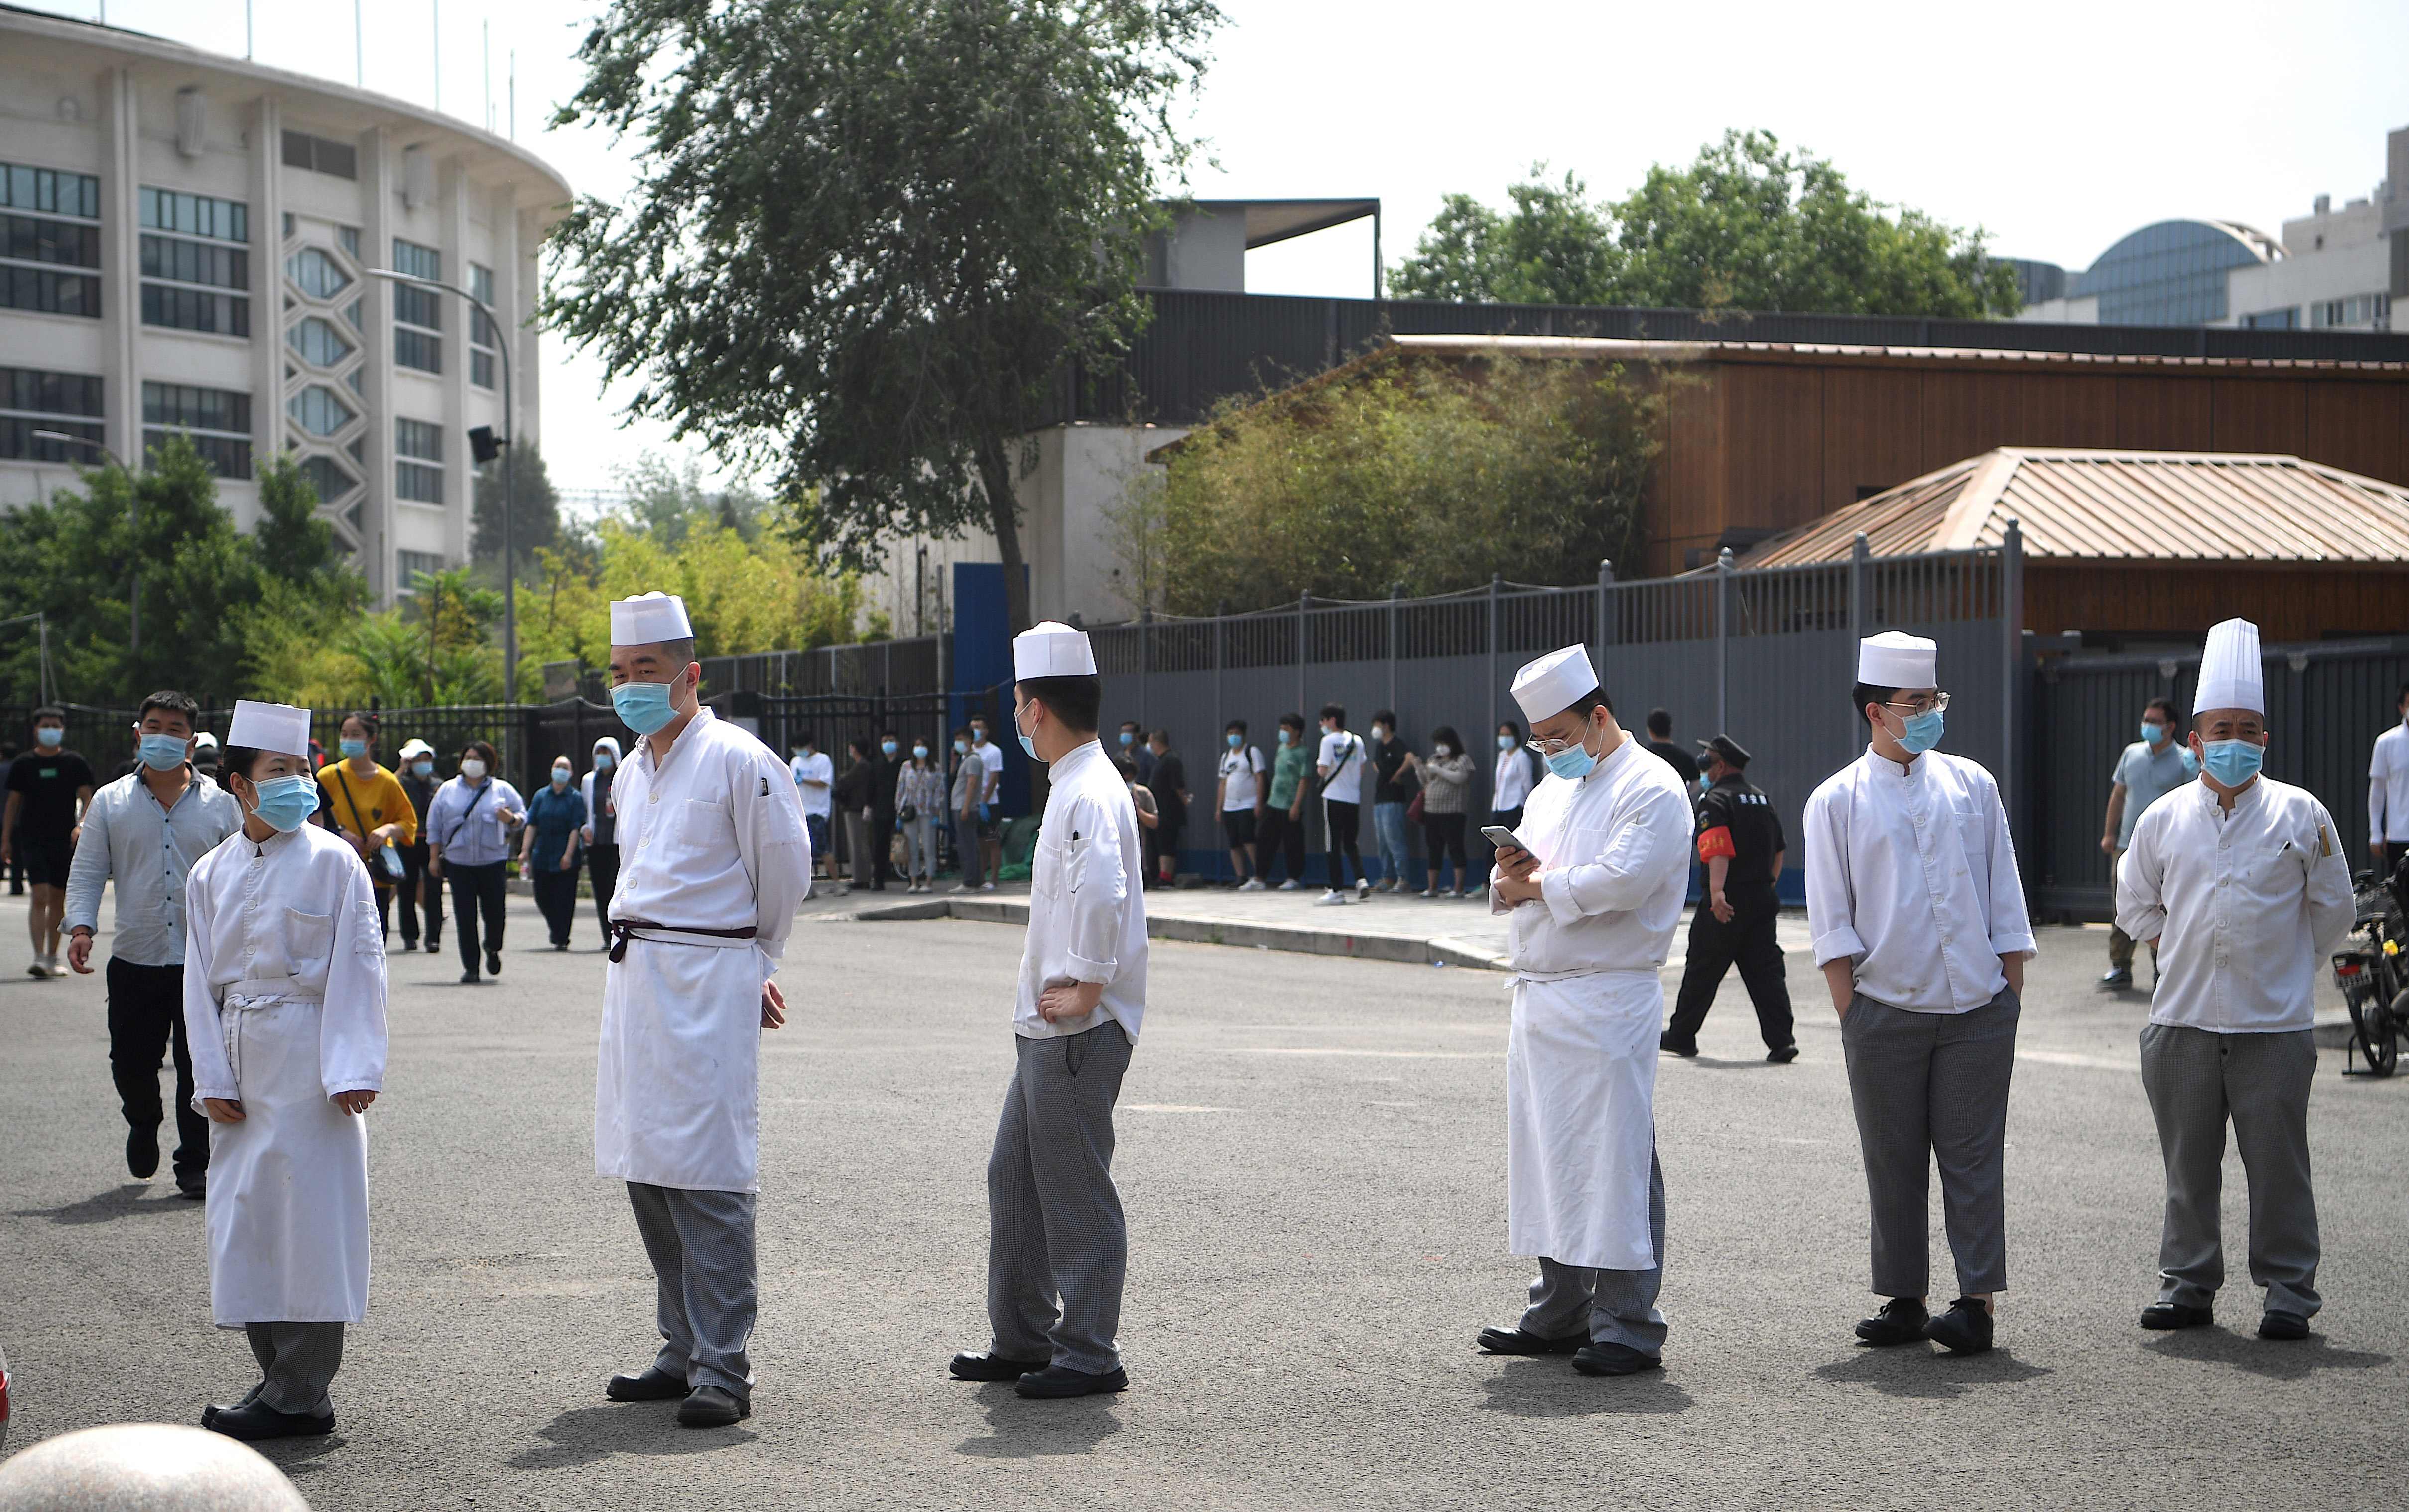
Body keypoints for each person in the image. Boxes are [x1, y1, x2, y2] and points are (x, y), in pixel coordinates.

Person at [595, 591, 811, 1430]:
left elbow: (784, 872)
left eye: (645, 671)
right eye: (618, 673)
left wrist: (753, 962)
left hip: (708, 976)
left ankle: (724, 1366)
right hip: (638, 979)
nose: (630, 686)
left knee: (711, 1175)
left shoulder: (739, 760)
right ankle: (678, 1347)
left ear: (690, 674)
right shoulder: (629, 769)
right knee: (645, 1163)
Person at [2116, 618, 2351, 1343]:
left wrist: (2284, 966)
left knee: (2278, 1168)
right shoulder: (2160, 820)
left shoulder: (2300, 812)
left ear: (2265, 740)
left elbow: (2333, 909)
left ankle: (2287, 1294)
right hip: (2182, 1020)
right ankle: (2187, 1286)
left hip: (2272, 1028)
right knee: (2189, 1166)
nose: (2235, 740)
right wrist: (2178, 947)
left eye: (2249, 729)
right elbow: (2133, 905)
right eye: (2222, 727)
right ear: (2193, 740)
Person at [1804, 631, 2034, 1358]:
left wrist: (2009, 993)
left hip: (1976, 1008)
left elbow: (2004, 892)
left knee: (1973, 1161)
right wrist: (1854, 1015)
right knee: (1892, 1160)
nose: (1931, 713)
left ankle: (1975, 1304)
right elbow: (1830, 921)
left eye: (1934, 699)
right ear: (1876, 711)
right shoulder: (1834, 802)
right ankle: (1903, 1299)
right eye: (1916, 703)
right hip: (1884, 1010)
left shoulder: (1972, 784)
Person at [1474, 645, 1691, 1379]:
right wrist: (1509, 879)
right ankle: (1559, 1308)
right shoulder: (1552, 789)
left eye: (1558, 738)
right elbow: (1523, 874)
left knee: (1617, 1160)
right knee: (1549, 1157)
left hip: (1607, 995)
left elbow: (1623, 881)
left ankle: (1629, 1322)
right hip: (1541, 995)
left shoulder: (1653, 786)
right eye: (1540, 741)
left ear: (1599, 718)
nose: (1549, 752)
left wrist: (1536, 888)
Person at [947, 621, 1147, 1399]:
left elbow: (1103, 890)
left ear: (1034, 709)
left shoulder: (1087, 791)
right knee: (1016, 1177)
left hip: (1077, 1027)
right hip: (1051, 1026)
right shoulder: (1078, 783)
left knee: (1072, 1187)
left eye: (1020, 705)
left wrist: (1092, 983)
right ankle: (1025, 1335)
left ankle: (1090, 1352)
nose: (1018, 718)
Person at [182, 699, 387, 1441]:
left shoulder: (336, 862)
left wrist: (354, 1065)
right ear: (239, 785)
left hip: (312, 1063)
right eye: (281, 771)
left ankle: (299, 1392)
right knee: (250, 1222)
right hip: (240, 1055)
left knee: (311, 1223)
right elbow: (198, 980)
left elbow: (361, 967)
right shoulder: (210, 873)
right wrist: (210, 1077)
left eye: (303, 769)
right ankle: (280, 1381)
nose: (300, 782)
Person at [62, 690, 241, 1199]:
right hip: (136, 956)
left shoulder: (221, 806)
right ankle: (143, 1121)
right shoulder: (110, 802)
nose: (163, 735)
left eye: (175, 728)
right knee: (131, 1061)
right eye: (154, 726)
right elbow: (90, 870)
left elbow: (243, 872)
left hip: (201, 961)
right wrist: (80, 928)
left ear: (192, 740)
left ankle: (194, 1162)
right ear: (139, 734)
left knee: (199, 1063)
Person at [1661, 734, 1797, 1062]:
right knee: (1766, 973)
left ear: (1720, 766)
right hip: (1761, 900)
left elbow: (1717, 849)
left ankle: (1681, 1035)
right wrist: (1767, 886)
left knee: (1702, 969)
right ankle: (1782, 1041)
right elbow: (1779, 849)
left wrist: (1718, 893)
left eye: (1707, 759)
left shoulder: (1715, 801)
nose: (1703, 764)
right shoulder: (1761, 799)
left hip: (1726, 902)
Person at [2098, 697, 2188, 990]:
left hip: (2166, 850)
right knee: (2121, 905)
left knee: (2163, 908)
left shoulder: (2185, 760)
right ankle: (2120, 967)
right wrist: (2109, 833)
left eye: (2154, 721)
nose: (2146, 726)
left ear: (2170, 727)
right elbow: (2119, 795)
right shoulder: (2131, 754)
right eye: (2145, 720)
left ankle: (2162, 969)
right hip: (2127, 845)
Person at [4, 706, 96, 978]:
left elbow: (88, 798)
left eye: (55, 725)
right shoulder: (23, 764)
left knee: (58, 898)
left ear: (63, 729)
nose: (50, 729)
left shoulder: (74, 763)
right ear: (35, 729)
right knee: (39, 895)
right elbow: (13, 803)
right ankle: (38, 956)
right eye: (46, 725)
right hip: (31, 837)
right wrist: (6, 839)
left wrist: (82, 826)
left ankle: (52, 957)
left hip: (64, 839)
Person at [424, 739, 525, 985]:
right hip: (459, 863)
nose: (472, 763)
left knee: (495, 914)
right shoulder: (447, 790)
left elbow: (523, 815)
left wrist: (510, 818)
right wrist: (433, 858)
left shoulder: (502, 790)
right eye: (468, 758)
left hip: (493, 861)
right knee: (465, 916)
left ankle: (492, 947)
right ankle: (471, 967)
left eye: (478, 759)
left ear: (489, 763)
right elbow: (434, 826)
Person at [315, 712, 418, 943]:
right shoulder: (328, 776)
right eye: (344, 734)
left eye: (355, 735)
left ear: (371, 739)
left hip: (375, 873)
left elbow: (408, 822)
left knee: (374, 937)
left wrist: (387, 830)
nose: (348, 740)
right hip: (336, 869)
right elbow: (312, 821)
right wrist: (339, 833)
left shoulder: (387, 780)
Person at [523, 756, 589, 950]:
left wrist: (568, 855)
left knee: (564, 899)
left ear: (571, 773)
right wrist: (525, 850)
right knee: (542, 896)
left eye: (565, 767)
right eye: (558, 766)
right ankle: (555, 928)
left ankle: (562, 937)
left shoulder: (575, 798)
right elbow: (532, 824)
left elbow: (575, 828)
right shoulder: (541, 796)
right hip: (543, 853)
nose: (561, 770)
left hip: (565, 854)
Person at [1313, 705, 1370, 905]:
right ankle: (1361, 880)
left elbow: (1322, 771)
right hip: (1353, 797)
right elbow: (1361, 770)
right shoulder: (1357, 740)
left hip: (1333, 797)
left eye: (1323, 720)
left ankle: (1336, 889)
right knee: (1350, 842)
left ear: (1332, 720)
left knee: (1333, 844)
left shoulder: (1328, 741)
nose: (1321, 724)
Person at [1414, 726, 1476, 897]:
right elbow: (1426, 781)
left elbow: (1461, 778)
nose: (1440, 747)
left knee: (1455, 847)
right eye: (1438, 744)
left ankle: (1458, 888)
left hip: (1453, 811)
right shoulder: (1434, 759)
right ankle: (1432, 887)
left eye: (1444, 743)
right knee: (1434, 848)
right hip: (1432, 811)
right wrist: (1419, 767)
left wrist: (1440, 771)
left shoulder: (1462, 760)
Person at [394, 740, 443, 955]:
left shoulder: (438, 785)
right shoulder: (402, 783)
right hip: (407, 841)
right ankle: (409, 936)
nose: (424, 764)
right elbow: (387, 788)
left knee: (434, 891)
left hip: (431, 842)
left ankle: (433, 938)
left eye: (427, 760)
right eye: (419, 760)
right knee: (407, 890)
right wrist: (401, 768)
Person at [1255, 715, 1311, 891]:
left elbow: (1304, 779)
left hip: (1290, 804)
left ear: (1297, 731)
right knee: (1265, 840)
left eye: (1287, 729)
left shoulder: (1304, 752)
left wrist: (1296, 805)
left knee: (1292, 843)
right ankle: (1259, 878)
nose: (1283, 732)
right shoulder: (1281, 748)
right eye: (1282, 728)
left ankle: (1294, 878)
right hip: (1274, 803)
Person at [1369, 711, 1417, 893]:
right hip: (1380, 798)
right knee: (1382, 841)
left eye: (1377, 724)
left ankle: (1403, 878)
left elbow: (1410, 759)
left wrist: (1397, 775)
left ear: (1386, 725)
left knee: (1395, 839)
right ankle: (1387, 877)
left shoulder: (1397, 744)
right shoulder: (1379, 746)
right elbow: (1375, 764)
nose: (1375, 729)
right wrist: (1383, 775)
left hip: (1394, 799)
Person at [582, 737, 623, 947]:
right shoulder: (589, 780)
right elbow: (586, 809)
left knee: (615, 886)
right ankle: (606, 936)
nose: (602, 758)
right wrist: (585, 829)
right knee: (600, 889)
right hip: (596, 841)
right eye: (599, 752)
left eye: (606, 753)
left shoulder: (622, 777)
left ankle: (618, 930)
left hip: (617, 842)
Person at [1217, 719, 1267, 890]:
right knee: (1234, 843)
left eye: (1236, 734)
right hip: (1229, 806)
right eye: (1230, 734)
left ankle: (1259, 875)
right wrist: (1219, 808)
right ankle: (1240, 875)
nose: (1233, 737)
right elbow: (1222, 783)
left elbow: (1260, 778)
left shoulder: (1251, 752)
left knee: (1248, 840)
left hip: (1247, 804)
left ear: (1243, 735)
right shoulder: (1226, 756)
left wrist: (1259, 803)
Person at [2367, 681, 2409, 867]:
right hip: (2400, 836)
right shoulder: (2387, 742)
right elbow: (2377, 790)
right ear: (2401, 708)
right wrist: (2376, 832)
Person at [897, 738, 946, 893]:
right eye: (917, 745)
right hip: (910, 811)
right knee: (911, 847)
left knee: (929, 846)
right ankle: (913, 881)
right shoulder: (906, 767)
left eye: (923, 745)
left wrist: (937, 812)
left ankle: (929, 881)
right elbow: (901, 789)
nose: (920, 748)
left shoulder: (935, 768)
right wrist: (899, 811)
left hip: (928, 811)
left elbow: (940, 790)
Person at [790, 733, 835, 888]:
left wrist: (805, 781)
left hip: (817, 811)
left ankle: (837, 883)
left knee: (822, 849)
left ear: (809, 746)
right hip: (800, 811)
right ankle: (808, 887)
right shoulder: (795, 762)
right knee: (804, 851)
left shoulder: (823, 760)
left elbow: (824, 782)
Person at [1145, 729, 1188, 888]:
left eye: (1151, 742)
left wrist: (1184, 799)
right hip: (1160, 811)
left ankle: (1166, 877)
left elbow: (1179, 786)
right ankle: (1160, 875)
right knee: (1160, 844)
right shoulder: (1160, 760)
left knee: (1167, 845)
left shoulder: (1172, 760)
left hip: (1170, 811)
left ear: (1157, 742)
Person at [834, 739, 877, 893]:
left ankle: (861, 878)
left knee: (857, 845)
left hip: (855, 808)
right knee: (860, 843)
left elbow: (845, 783)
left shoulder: (861, 767)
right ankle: (862, 877)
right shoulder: (865, 766)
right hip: (859, 808)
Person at [969, 713, 1005, 885]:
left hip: (990, 803)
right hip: (973, 803)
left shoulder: (993, 751)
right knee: (979, 843)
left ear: (986, 730)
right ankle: (981, 878)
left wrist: (984, 801)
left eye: (978, 727)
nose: (975, 731)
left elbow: (993, 778)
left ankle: (994, 879)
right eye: (973, 727)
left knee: (992, 841)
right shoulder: (968, 751)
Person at [950, 729, 985, 894]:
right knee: (969, 844)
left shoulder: (973, 761)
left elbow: (971, 784)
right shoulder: (965, 760)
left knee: (967, 845)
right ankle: (975, 880)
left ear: (970, 740)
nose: (958, 742)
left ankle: (970, 882)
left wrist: (965, 806)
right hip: (961, 806)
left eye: (961, 738)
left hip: (965, 808)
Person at [872, 730, 906, 892]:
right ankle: (879, 879)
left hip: (900, 809)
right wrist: (868, 806)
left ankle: (909, 878)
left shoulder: (903, 765)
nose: (888, 743)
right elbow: (871, 787)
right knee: (880, 845)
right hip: (880, 809)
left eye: (891, 740)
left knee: (905, 842)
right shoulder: (877, 764)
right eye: (885, 740)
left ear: (898, 743)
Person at [1492, 718, 1537, 838]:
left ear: (1515, 736)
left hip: (1515, 805)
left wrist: (1529, 805)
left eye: (1507, 735)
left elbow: (1527, 783)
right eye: (1501, 735)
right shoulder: (1502, 756)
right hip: (1499, 805)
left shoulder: (1522, 758)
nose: (1504, 738)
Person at [1642, 709, 1691, 784]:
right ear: (1671, 728)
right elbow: (1696, 783)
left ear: (1650, 731)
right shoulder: (1685, 758)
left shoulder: (1642, 756)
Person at [0, 740, 19, 895]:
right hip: (18, 817)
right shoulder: (20, 769)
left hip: (1, 816)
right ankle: (17, 885)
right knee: (18, 852)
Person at [1118, 720, 1156, 786]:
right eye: (1122, 732)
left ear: (1137, 734)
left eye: (1128, 732)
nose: (1124, 734)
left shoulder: (1147, 755)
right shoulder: (1119, 756)